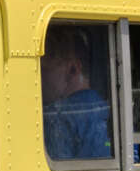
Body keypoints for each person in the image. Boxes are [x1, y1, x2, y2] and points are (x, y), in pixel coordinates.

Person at [42, 30, 113, 162]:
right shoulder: (112, 112)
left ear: (73, 69)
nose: (41, 77)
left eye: (45, 70)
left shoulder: (56, 117)